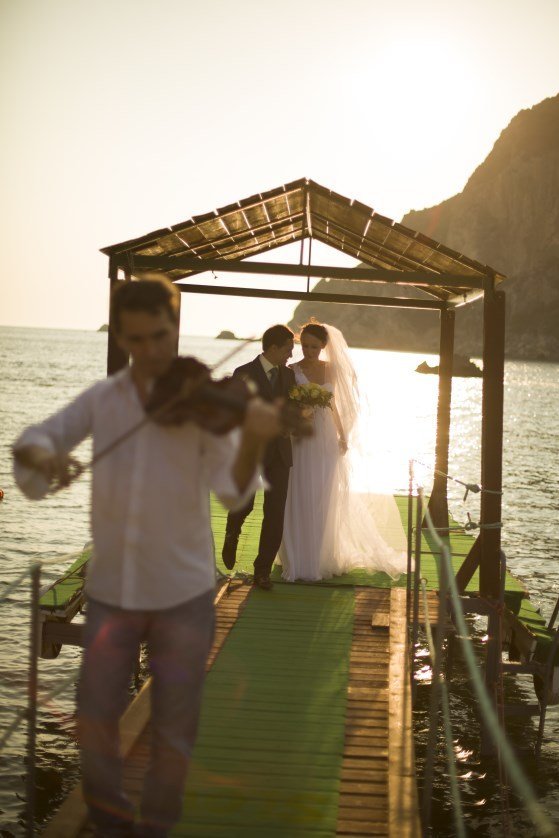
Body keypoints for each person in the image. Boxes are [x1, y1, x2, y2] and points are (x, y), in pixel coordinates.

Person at [12, 277, 283, 838]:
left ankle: (155, 828)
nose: (152, 353)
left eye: (160, 336)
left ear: (173, 327)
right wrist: (42, 457)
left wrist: (254, 439)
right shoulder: (104, 400)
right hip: (113, 591)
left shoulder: (202, 401)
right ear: (122, 336)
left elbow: (236, 494)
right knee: (93, 720)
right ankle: (112, 824)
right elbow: (41, 440)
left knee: (174, 733)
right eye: (137, 340)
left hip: (183, 596)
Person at [279, 321, 408, 582]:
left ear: (324, 346)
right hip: (302, 438)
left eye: (314, 346)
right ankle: (297, 556)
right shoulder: (292, 370)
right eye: (305, 345)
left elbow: (337, 405)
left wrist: (343, 434)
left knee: (323, 495)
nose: (309, 351)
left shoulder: (332, 370)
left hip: (325, 438)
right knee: (300, 491)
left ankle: (319, 555)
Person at [221, 324, 296, 590]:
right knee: (245, 503)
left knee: (275, 512)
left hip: (279, 452)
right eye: (288, 349)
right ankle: (233, 531)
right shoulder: (244, 373)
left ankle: (261, 571)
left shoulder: (289, 376)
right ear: (273, 348)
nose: (291, 354)